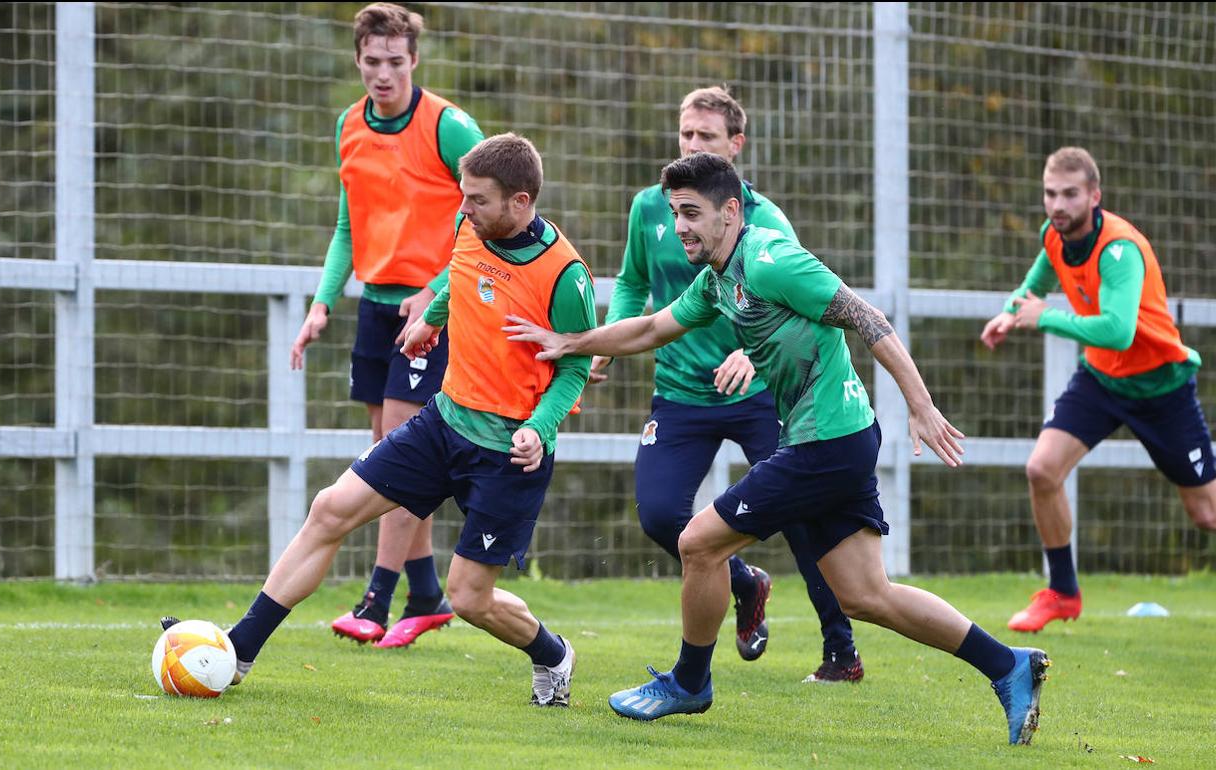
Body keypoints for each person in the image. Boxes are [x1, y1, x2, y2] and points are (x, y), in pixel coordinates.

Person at [505, 152, 1050, 744]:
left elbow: (867, 317)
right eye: (674, 213)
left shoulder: (769, 259)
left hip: (825, 444)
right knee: (867, 595)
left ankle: (689, 683)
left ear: (730, 211)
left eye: (692, 213)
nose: (680, 225)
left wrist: (920, 404)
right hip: (836, 440)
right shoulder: (718, 278)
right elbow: (652, 327)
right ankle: (1008, 666)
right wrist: (573, 342)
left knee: (698, 543)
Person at [166, 133, 596, 707]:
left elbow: (576, 367)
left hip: (506, 455)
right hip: (442, 425)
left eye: (478, 200)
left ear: (520, 202)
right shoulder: (470, 229)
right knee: (330, 508)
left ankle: (552, 654)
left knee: (469, 598)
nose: (464, 209)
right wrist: (431, 318)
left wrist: (538, 429)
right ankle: (239, 651)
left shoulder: (566, 275)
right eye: (463, 197)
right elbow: (458, 276)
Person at [594, 85, 863, 680]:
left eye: (706, 136)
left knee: (803, 517)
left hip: (758, 394)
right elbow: (634, 285)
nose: (692, 143)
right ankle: (745, 582)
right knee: (661, 514)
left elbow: (793, 304)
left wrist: (747, 349)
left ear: (735, 146)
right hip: (681, 394)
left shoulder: (765, 222)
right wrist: (607, 344)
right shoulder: (653, 208)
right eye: (686, 133)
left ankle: (840, 651)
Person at [289, 2, 484, 649]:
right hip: (376, 309)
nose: (382, 74)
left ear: (414, 61)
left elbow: (482, 217)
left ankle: (378, 597)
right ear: (358, 60)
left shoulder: (450, 127)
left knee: (395, 457)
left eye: (394, 62)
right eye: (371, 62)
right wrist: (322, 302)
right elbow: (350, 226)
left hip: (427, 313)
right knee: (387, 452)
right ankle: (426, 592)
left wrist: (435, 292)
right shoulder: (350, 125)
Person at [980, 146, 1215, 633]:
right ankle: (1063, 593)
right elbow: (1035, 284)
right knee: (1042, 470)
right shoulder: (1054, 236)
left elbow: (1118, 331)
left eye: (1070, 194)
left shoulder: (1119, 251)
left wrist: (1045, 318)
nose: (1058, 205)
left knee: (1206, 513)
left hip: (1160, 386)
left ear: (1094, 196)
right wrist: (1010, 311)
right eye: (1050, 194)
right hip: (1102, 381)